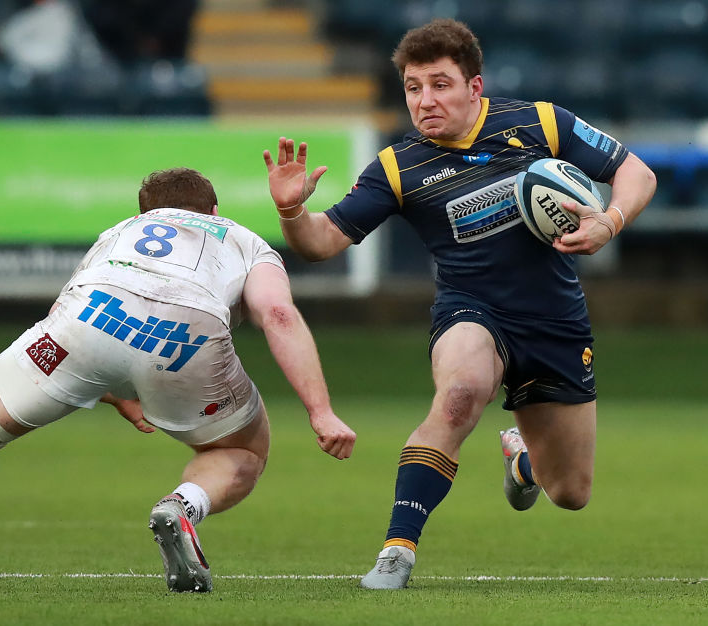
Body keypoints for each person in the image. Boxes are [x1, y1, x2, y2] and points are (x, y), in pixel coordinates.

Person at [0, 167, 356, 593]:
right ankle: (182, 507)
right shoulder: (241, 238)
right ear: (213, 206)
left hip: (83, 324)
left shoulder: (118, 232)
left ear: (143, 210)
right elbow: (277, 316)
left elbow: (79, 313)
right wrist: (320, 411)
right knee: (243, 449)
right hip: (185, 338)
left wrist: (115, 388)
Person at [263, 18, 656, 589]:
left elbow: (635, 173)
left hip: (554, 321)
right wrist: (293, 213)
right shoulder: (399, 167)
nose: (425, 101)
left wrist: (610, 221)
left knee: (570, 492)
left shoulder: (540, 122)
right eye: (413, 87)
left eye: (440, 85)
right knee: (460, 394)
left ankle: (524, 459)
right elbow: (322, 244)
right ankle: (397, 551)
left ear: (475, 87)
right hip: (471, 312)